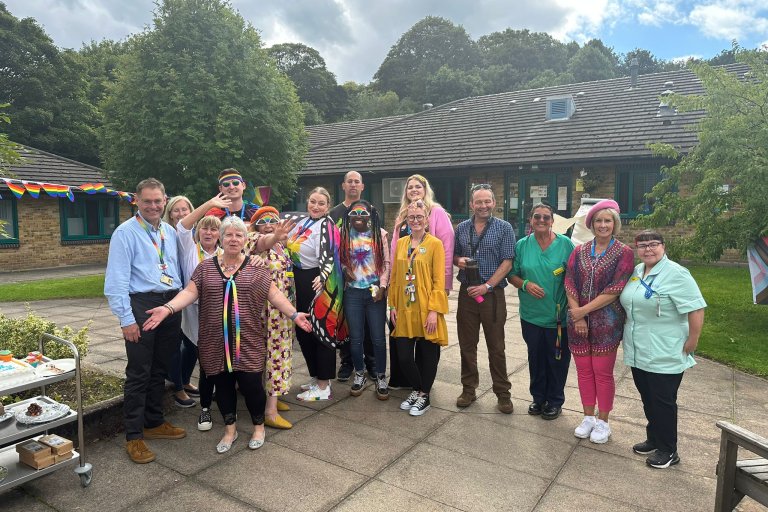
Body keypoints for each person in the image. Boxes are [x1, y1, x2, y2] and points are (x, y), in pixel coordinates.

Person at [143, 217, 312, 453]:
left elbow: (274, 295)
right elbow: (190, 292)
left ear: (246, 239)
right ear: (221, 238)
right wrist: (168, 308)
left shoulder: (256, 266)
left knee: (252, 385)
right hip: (214, 341)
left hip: (249, 340)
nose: (233, 239)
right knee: (222, 386)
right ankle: (230, 429)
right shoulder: (205, 267)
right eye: (229, 235)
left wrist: (295, 315)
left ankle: (258, 427)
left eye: (239, 235)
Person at [104, 178, 186, 464]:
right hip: (141, 305)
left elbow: (174, 269)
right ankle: (134, 436)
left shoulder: (169, 232)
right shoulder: (124, 233)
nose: (153, 206)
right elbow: (115, 283)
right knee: (139, 372)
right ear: (136, 201)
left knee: (160, 368)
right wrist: (127, 320)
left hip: (169, 303)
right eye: (147, 201)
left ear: (165, 201)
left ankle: (153, 422)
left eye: (158, 201)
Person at [620, 230, 706, 469]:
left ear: (663, 246)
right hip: (639, 349)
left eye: (653, 244)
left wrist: (693, 340)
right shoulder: (637, 272)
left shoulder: (677, 274)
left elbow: (696, 309)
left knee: (663, 400)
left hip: (665, 349)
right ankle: (654, 438)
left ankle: (669, 450)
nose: (648, 249)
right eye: (642, 245)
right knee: (648, 397)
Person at [565, 199, 634, 444]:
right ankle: (588, 418)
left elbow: (616, 288)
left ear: (614, 224)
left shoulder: (624, 253)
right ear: (591, 224)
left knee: (602, 372)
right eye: (598, 221)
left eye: (607, 221)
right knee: (583, 372)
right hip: (577, 321)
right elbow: (570, 282)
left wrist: (583, 311)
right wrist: (578, 314)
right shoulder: (580, 250)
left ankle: (603, 421)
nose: (603, 225)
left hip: (607, 322)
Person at [508, 204, 574, 420]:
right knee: (535, 358)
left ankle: (555, 401)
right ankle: (538, 398)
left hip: (558, 318)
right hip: (531, 316)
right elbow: (512, 275)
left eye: (546, 217)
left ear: (553, 221)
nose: (542, 220)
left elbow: (574, 279)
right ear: (530, 220)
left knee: (557, 360)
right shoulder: (522, 246)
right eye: (537, 217)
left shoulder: (566, 245)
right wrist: (525, 284)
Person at [453, 184, 516, 414]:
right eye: (478, 202)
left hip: (492, 295)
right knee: (467, 345)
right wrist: (459, 260)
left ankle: (503, 393)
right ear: (471, 205)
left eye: (487, 201)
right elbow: (455, 255)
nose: (483, 206)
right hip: (467, 293)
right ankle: (468, 389)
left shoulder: (504, 228)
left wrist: (487, 286)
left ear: (494, 203)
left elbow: (508, 261)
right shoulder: (461, 228)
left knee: (496, 347)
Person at [389, 174, 454, 388]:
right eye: (410, 187)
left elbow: (445, 249)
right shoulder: (401, 218)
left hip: (427, 289)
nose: (414, 190)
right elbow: (394, 261)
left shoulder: (437, 213)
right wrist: (392, 300)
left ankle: (424, 388)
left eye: (418, 186)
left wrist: (442, 291)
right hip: (405, 293)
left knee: (427, 344)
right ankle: (409, 383)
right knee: (403, 348)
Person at [286, 187, 338, 401]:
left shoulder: (327, 225)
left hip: (318, 281)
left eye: (321, 203)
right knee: (304, 332)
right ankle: (316, 377)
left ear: (328, 207)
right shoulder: (302, 222)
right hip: (299, 280)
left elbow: (331, 254)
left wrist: (323, 276)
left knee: (320, 331)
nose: (316, 206)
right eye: (312, 201)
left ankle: (325, 386)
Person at [246, 206, 296, 429]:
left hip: (282, 309)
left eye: (273, 220)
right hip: (265, 310)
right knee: (273, 354)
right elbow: (262, 242)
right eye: (263, 220)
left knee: (278, 353)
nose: (268, 223)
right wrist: (274, 235)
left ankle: (272, 396)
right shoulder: (253, 239)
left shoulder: (281, 246)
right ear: (255, 225)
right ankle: (270, 411)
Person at [339, 200, 391, 399]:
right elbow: (340, 259)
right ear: (349, 216)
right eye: (354, 214)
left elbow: (386, 263)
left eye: (362, 213)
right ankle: (359, 374)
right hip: (352, 293)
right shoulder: (343, 235)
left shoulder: (380, 234)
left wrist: (383, 287)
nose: (358, 217)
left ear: (370, 216)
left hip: (374, 293)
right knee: (356, 338)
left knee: (378, 338)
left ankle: (380, 376)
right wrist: (344, 270)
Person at [329, 171, 377, 382]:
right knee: (346, 322)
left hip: (367, 278)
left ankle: (372, 363)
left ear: (362, 186)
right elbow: (329, 245)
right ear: (343, 185)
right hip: (343, 278)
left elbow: (377, 244)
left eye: (357, 181)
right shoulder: (334, 213)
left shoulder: (371, 210)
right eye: (350, 181)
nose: (353, 185)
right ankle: (347, 361)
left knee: (368, 323)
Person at [163, 195, 199, 408]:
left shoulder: (197, 235)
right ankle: (176, 387)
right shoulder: (174, 234)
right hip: (174, 294)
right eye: (176, 210)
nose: (181, 213)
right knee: (176, 343)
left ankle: (184, 380)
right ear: (169, 213)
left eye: (185, 209)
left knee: (193, 343)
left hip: (192, 296)